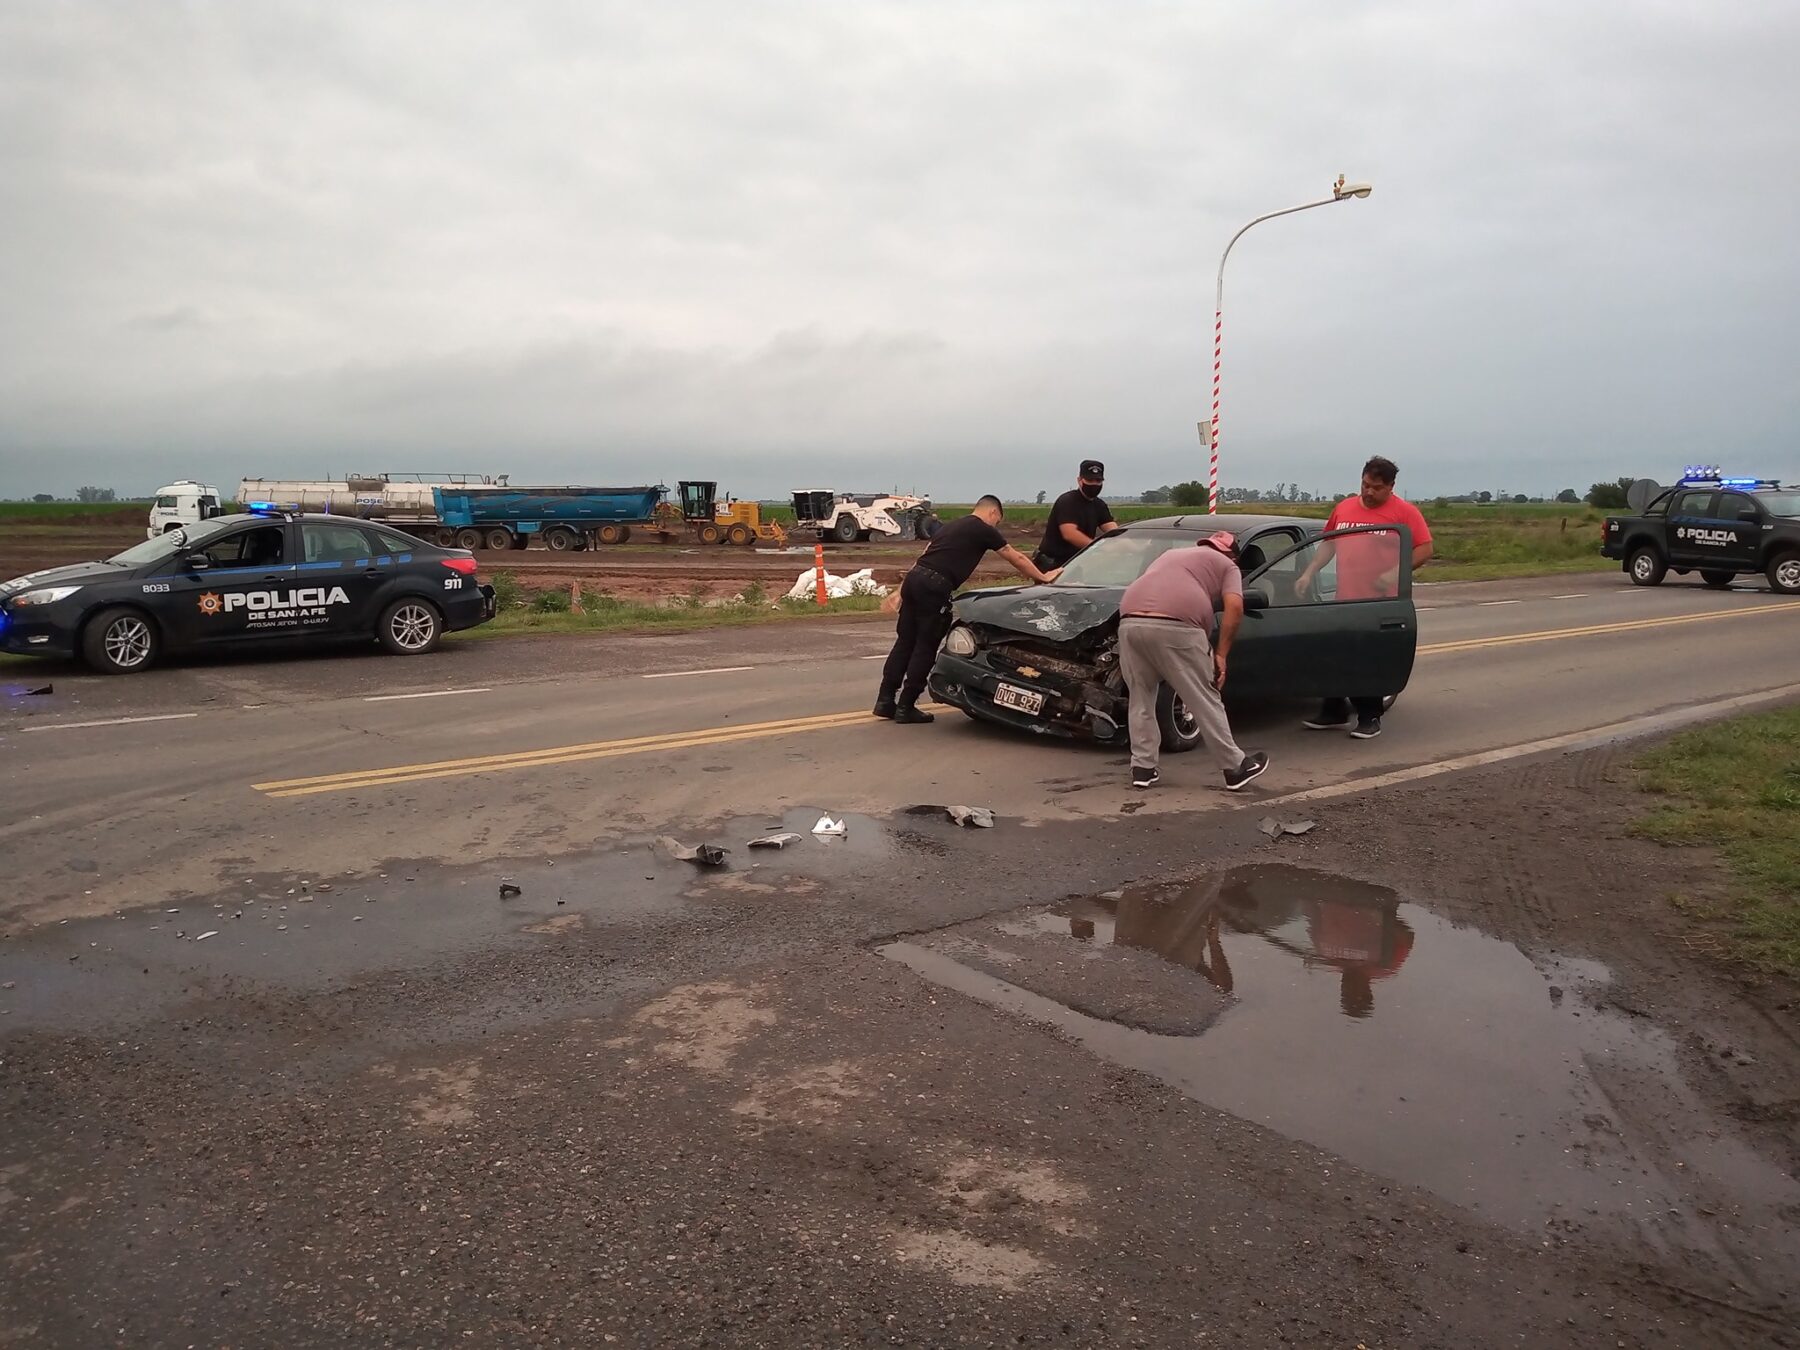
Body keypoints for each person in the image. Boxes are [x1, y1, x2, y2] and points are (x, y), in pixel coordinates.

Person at [876, 495, 1060, 724]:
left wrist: (899, 591)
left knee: (904, 643)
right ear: (993, 513)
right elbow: (1016, 557)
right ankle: (906, 706)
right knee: (925, 645)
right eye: (998, 521)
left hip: (915, 580)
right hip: (935, 585)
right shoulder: (983, 528)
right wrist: (1042, 577)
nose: (996, 526)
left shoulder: (950, 526)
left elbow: (924, 556)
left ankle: (885, 700)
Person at [1294, 455, 1434, 740]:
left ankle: (1370, 716)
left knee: (1367, 658)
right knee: (1334, 654)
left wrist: (1395, 574)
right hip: (1345, 597)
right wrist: (1309, 572)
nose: (1369, 492)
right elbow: (1328, 544)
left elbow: (1424, 549)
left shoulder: (1404, 513)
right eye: (1365, 484)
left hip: (1379, 602)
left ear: (1391, 487)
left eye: (1377, 487)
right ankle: (1333, 710)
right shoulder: (1344, 508)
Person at [1116, 530, 1268, 791]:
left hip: (1130, 620)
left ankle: (1143, 768)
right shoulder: (1228, 565)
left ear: (1205, 545)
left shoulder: (1172, 555)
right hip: (1177, 625)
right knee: (1204, 696)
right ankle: (1235, 767)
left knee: (1141, 698)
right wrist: (1220, 654)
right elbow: (1235, 607)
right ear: (1232, 555)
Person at [1034, 460, 1120, 572]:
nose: (1094, 484)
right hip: (1051, 565)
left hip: (1073, 564)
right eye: (1089, 480)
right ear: (1079, 480)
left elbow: (1114, 531)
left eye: (1098, 480)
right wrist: (1099, 548)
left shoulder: (1099, 505)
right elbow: (1070, 534)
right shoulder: (1068, 501)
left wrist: (1134, 544)